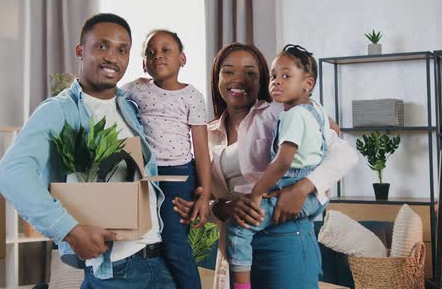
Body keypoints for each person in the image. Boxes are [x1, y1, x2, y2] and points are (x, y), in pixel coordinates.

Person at [0, 13, 176, 289]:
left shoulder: (130, 106)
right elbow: (10, 174)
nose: (112, 57)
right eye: (102, 46)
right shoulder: (59, 110)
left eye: (122, 50)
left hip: (159, 261)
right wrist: (68, 228)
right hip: (116, 270)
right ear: (81, 50)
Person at [172, 42, 358, 288]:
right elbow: (207, 198)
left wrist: (301, 188)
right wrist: (221, 207)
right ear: (216, 78)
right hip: (237, 245)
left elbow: (345, 154)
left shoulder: (283, 113)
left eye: (250, 73)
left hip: (284, 235)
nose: (238, 79)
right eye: (228, 72)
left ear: (262, 80)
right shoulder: (205, 134)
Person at [226, 44, 330, 288]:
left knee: (239, 230)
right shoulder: (314, 111)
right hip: (304, 206)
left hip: (289, 211)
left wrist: (257, 194)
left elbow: (284, 161)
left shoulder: (290, 114)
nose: (277, 82)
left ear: (308, 84)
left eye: (286, 76)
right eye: (274, 76)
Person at [122, 29, 211, 289]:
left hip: (177, 175)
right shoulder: (134, 89)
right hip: (142, 176)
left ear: (182, 59)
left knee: (174, 244)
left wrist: (204, 194)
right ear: (143, 64)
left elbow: (202, 151)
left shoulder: (192, 96)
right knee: (143, 242)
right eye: (151, 52)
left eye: (165, 50)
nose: (157, 55)